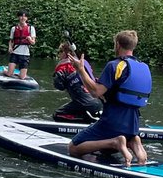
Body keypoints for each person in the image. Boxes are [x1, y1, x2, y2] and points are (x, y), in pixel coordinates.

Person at [65, 30, 152, 166]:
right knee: (108, 149)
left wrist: (81, 70)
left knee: (73, 148)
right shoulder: (143, 67)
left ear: (117, 45)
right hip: (133, 123)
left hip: (113, 121)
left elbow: (95, 92)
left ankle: (116, 142)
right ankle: (134, 141)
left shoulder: (115, 65)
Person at [52, 40, 103, 123]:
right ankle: (95, 116)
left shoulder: (62, 67)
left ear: (65, 53)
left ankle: (87, 119)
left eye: (59, 52)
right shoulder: (84, 63)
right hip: (98, 102)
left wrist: (57, 76)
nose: (58, 55)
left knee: (57, 115)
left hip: (84, 103)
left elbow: (59, 86)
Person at [4, 10, 36, 80]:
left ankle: (20, 74)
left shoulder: (31, 28)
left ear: (27, 18)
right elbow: (11, 40)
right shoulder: (13, 28)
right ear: (18, 17)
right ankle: (5, 71)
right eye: (21, 16)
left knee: (22, 77)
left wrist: (30, 39)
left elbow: (33, 42)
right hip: (15, 53)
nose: (23, 18)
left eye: (25, 16)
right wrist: (10, 48)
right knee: (9, 74)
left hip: (25, 55)